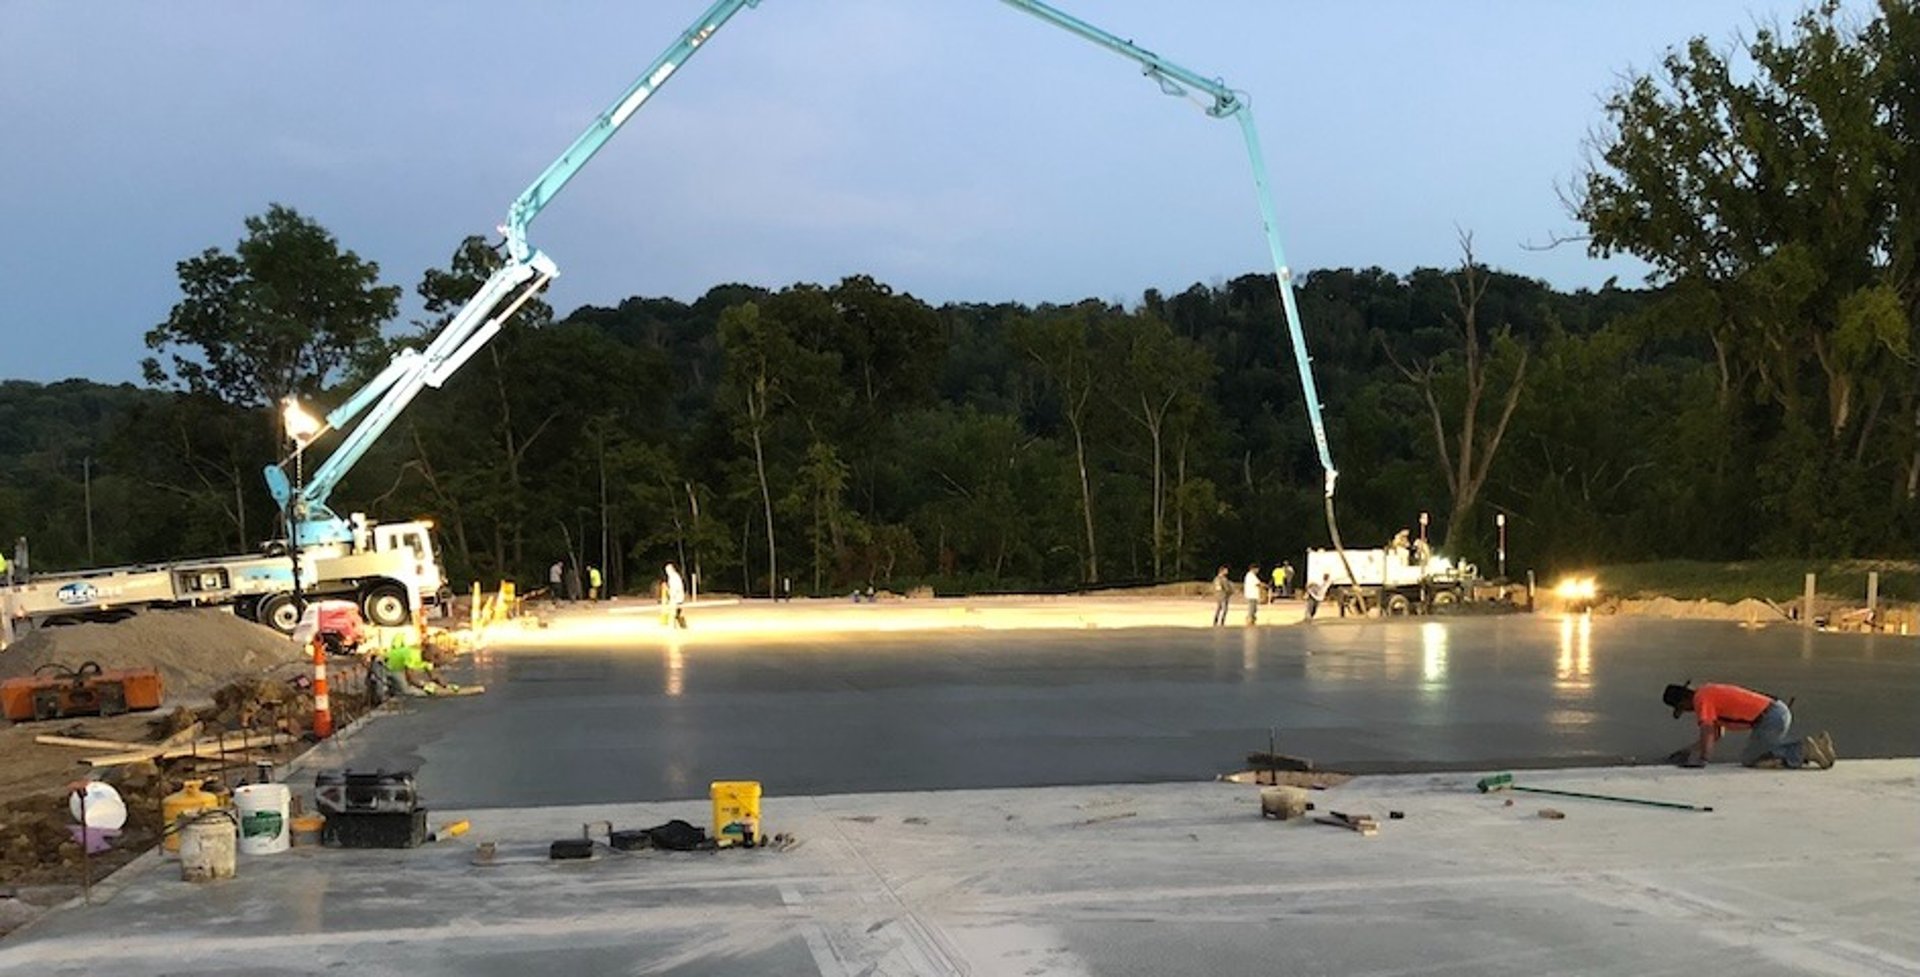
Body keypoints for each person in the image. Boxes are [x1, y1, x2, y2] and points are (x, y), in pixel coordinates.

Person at [1662, 682, 1834, 769]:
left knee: (1751, 759)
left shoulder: (1701, 699)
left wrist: (1702, 760)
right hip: (1775, 713)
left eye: (1683, 709)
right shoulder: (1707, 692)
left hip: (1770, 718)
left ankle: (1803, 749)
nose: (1688, 712)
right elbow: (1715, 734)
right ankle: (1819, 745)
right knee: (1760, 754)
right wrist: (1688, 751)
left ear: (1684, 701)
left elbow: (1707, 731)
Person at [664, 562, 687, 629]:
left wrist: (672, 596)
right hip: (676, 596)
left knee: (674, 612)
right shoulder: (673, 577)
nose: (667, 572)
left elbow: (676, 587)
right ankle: (682, 625)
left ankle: (675, 626)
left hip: (676, 597)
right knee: (676, 612)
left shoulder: (674, 577)